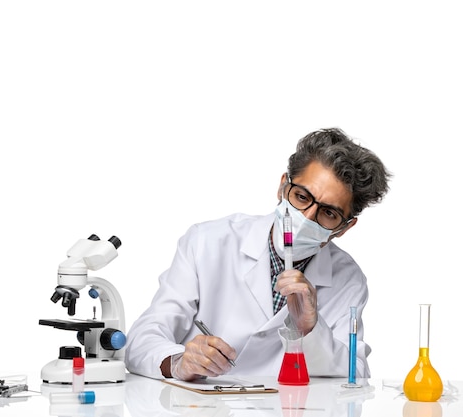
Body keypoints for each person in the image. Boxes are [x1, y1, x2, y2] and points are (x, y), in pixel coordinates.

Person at [124, 128, 391, 381]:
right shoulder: (206, 242)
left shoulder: (348, 278)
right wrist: (179, 362)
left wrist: (312, 328)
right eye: (301, 197)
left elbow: (356, 374)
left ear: (344, 228)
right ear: (283, 186)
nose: (307, 217)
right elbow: (141, 340)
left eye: (328, 213)